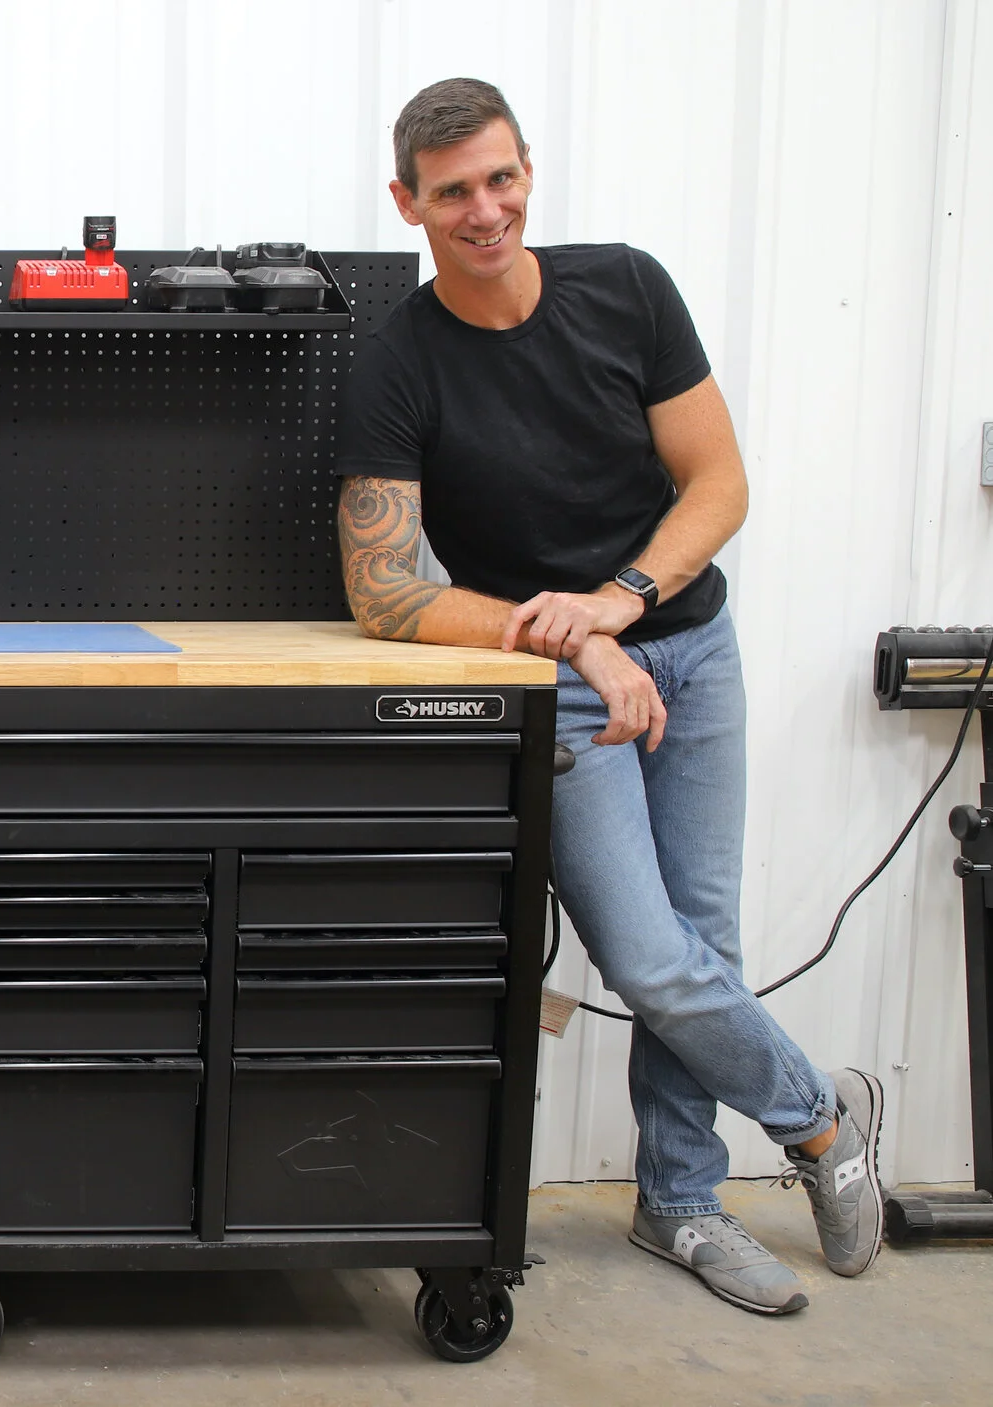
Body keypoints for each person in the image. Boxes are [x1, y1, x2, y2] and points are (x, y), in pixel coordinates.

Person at [332, 77, 882, 1315]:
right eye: (453, 192)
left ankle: (679, 1203)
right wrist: (573, 647)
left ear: (527, 168)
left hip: (691, 650)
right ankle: (819, 1123)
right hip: (567, 692)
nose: (485, 211)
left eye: (501, 178)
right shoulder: (397, 363)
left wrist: (615, 608)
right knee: (647, 957)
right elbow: (384, 589)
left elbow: (718, 483)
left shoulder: (626, 288)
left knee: (702, 944)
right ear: (407, 203)